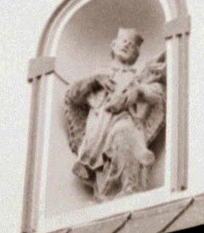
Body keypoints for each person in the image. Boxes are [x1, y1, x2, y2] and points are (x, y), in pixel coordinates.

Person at [64, 29, 167, 200]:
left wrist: (138, 91)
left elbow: (157, 94)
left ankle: (130, 186)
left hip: (127, 120)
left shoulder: (139, 76)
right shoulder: (99, 73)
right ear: (113, 46)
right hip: (98, 129)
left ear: (136, 54)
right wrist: (94, 82)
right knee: (104, 162)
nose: (127, 45)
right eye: (123, 41)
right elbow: (74, 96)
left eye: (131, 45)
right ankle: (105, 192)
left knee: (124, 134)